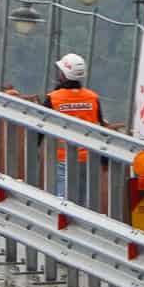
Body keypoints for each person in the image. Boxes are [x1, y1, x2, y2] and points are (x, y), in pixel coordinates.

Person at [45, 53, 100, 200]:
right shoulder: (93, 98)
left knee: (63, 200)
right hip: (88, 158)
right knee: (83, 202)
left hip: (63, 158)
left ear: (63, 74)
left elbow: (39, 126)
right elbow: (101, 129)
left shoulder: (53, 98)